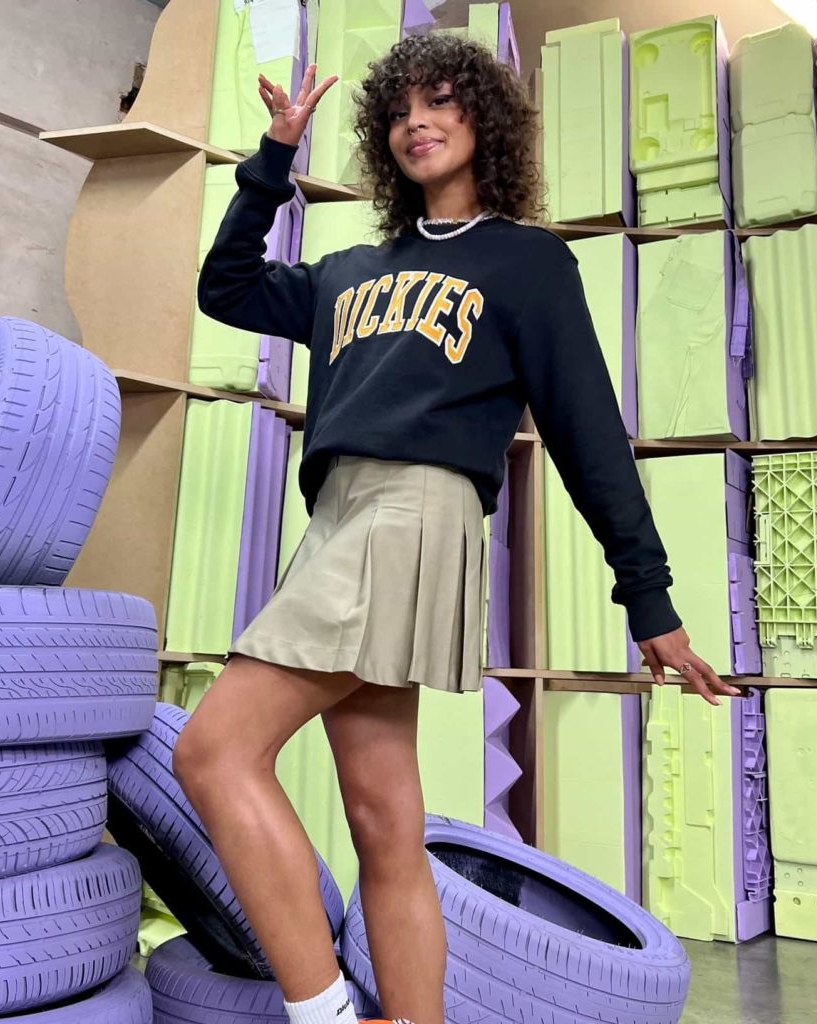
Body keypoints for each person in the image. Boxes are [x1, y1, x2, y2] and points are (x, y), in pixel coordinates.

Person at [172, 31, 740, 1024]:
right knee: (383, 820)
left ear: (485, 120)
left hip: (415, 515)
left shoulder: (525, 262)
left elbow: (586, 433)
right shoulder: (348, 271)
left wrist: (647, 598)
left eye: (440, 102)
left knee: (212, 752)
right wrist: (274, 157)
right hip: (340, 518)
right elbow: (225, 288)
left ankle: (324, 1014)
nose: (416, 123)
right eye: (399, 111)